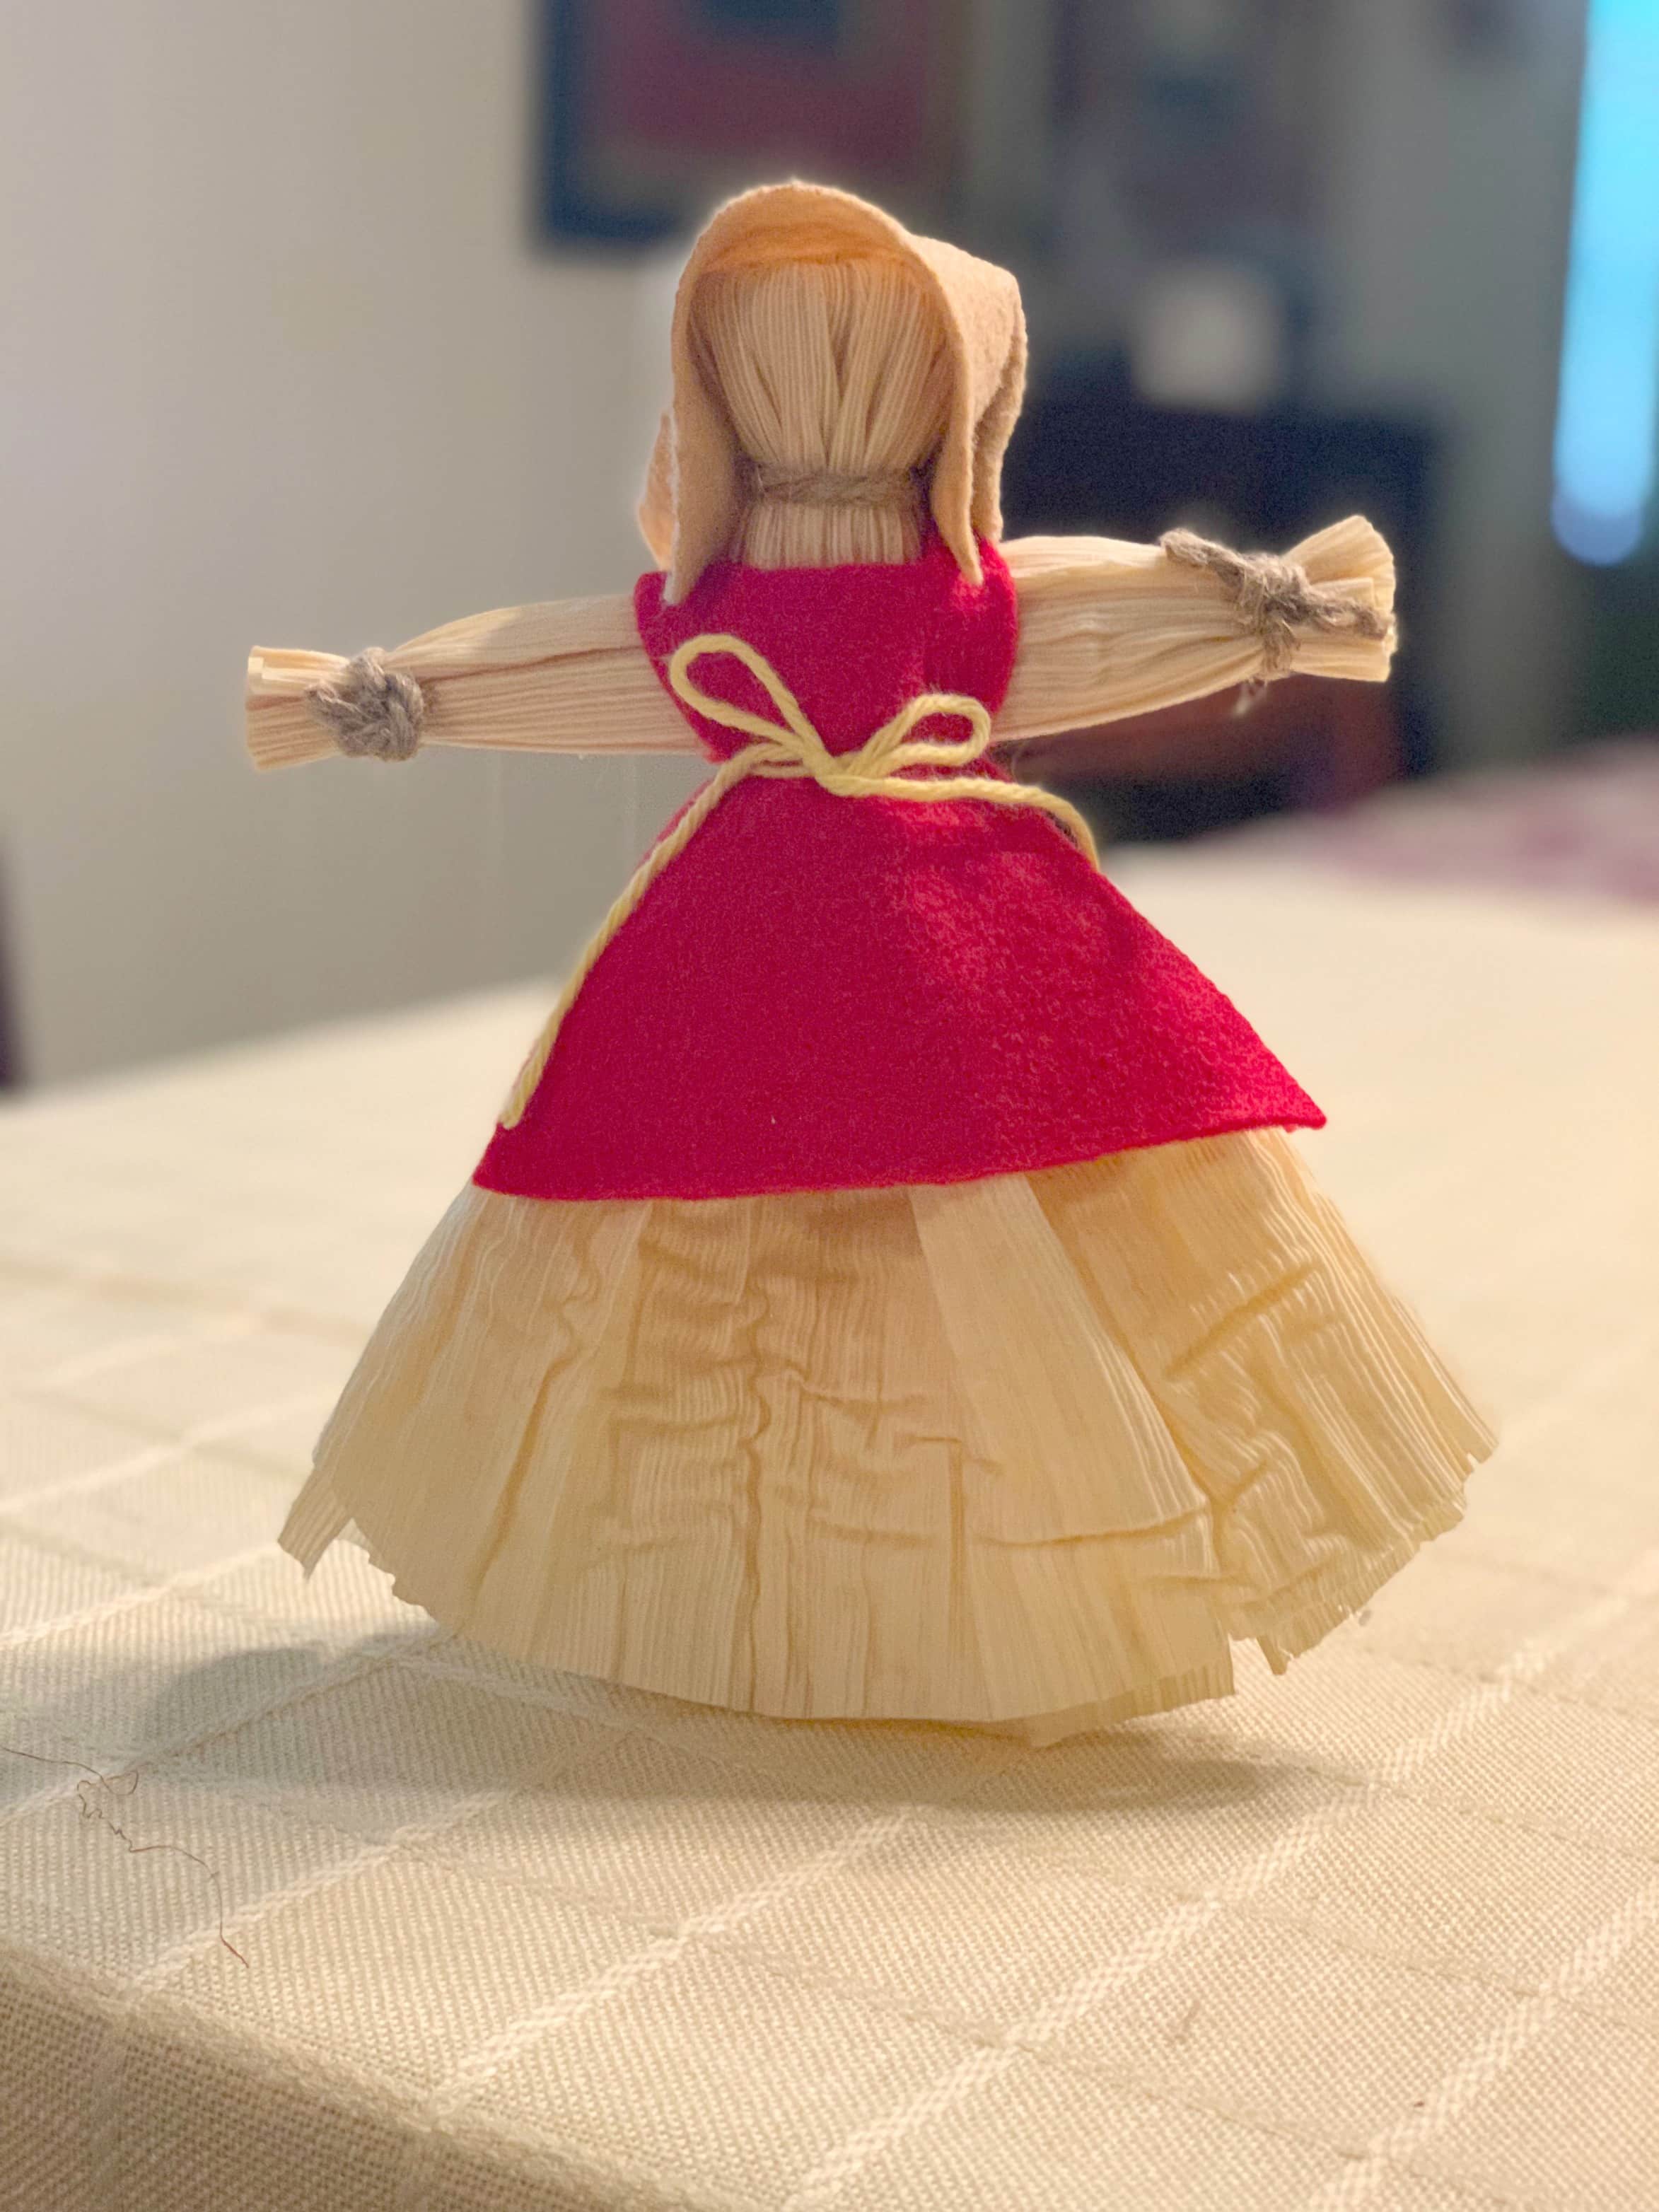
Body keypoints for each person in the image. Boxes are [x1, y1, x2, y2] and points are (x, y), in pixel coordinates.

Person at [252, 182, 1493, 1746]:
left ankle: (796, 1588)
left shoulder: (807, 607)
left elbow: (1083, 606)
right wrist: (1280, 615)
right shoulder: (870, 605)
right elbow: (1086, 606)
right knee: (913, 1206)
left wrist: (376, 697)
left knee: (751, 1216)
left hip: (850, 921)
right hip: (860, 921)